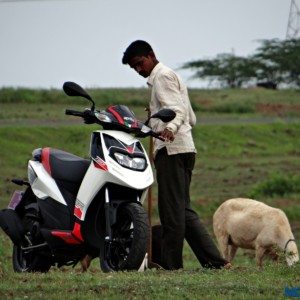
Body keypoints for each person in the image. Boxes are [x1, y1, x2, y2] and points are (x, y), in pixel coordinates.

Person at [122, 40, 231, 270]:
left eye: (140, 63)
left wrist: (169, 129)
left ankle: (172, 267)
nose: (139, 70)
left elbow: (178, 111)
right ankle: (216, 263)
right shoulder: (171, 76)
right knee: (182, 211)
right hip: (185, 148)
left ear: (151, 55)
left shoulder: (162, 77)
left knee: (171, 213)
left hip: (172, 150)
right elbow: (191, 117)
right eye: (134, 68)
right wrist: (153, 121)